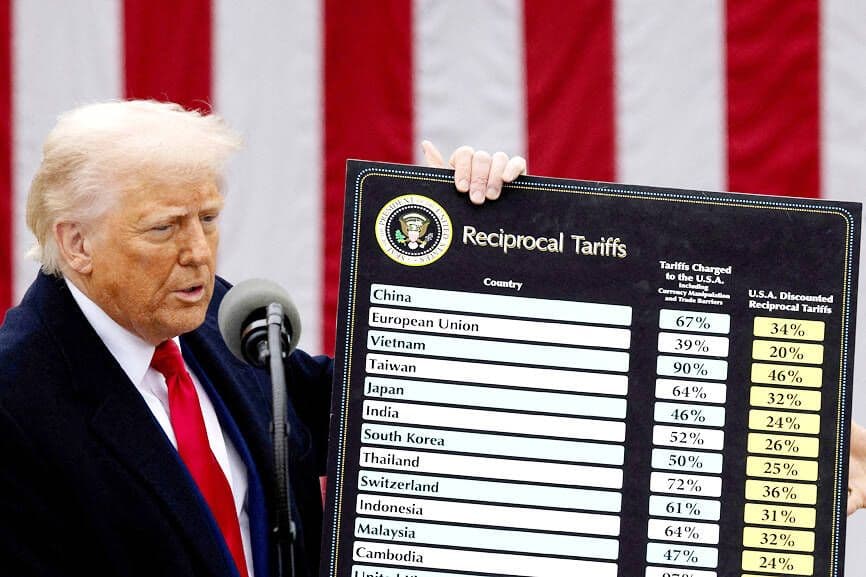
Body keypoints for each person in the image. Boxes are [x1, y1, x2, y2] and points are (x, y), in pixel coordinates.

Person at [0, 99, 526, 577]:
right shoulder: (17, 399)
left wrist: (461, 250)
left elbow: (384, 414)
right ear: (77, 243)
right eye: (164, 228)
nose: (198, 253)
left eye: (207, 219)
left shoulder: (220, 319)